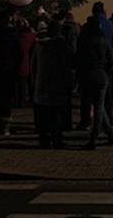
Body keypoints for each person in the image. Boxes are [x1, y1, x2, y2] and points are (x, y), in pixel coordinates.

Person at [33, 20, 73, 148]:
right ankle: (56, 139)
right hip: (56, 84)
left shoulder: (39, 46)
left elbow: (33, 64)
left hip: (41, 84)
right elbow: (68, 63)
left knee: (43, 114)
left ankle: (44, 139)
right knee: (56, 114)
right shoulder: (61, 46)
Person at [77, 16, 113, 150]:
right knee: (100, 105)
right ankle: (109, 134)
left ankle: (94, 137)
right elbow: (112, 60)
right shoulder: (103, 41)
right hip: (102, 75)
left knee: (97, 107)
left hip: (90, 75)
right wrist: (107, 72)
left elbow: (79, 61)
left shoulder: (86, 42)